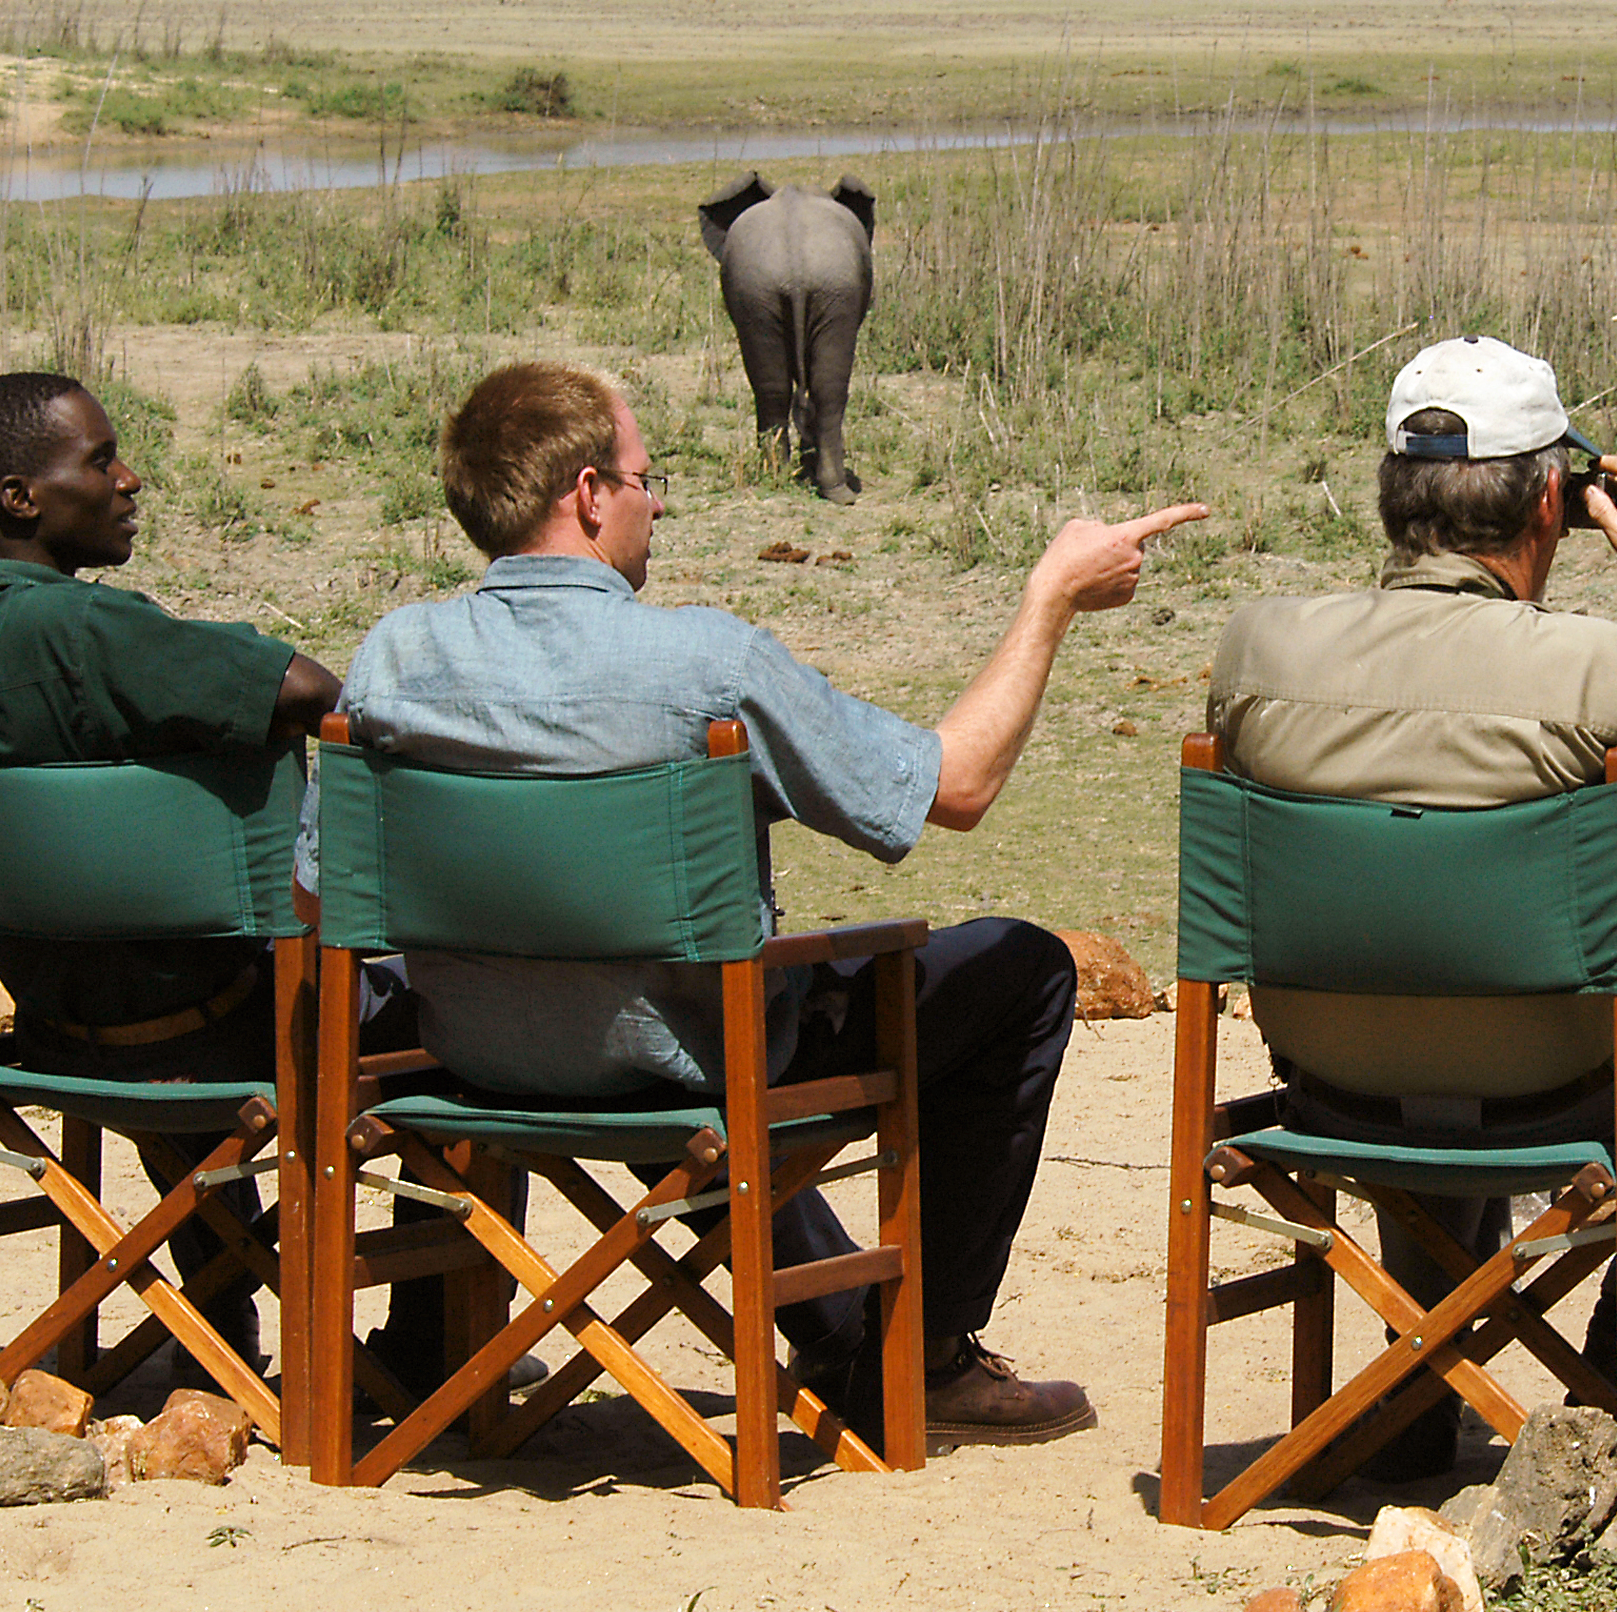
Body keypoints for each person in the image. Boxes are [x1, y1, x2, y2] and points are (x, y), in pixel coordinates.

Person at [322, 360, 1203, 1446]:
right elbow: (955, 783)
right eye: (648, 479)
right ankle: (917, 1359)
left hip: (475, 1054)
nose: (660, 503)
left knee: (629, 972)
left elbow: (329, 887)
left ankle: (436, 1340)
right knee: (1019, 966)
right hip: (689, 1061)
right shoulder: (702, 662)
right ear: (587, 494)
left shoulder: (391, 660)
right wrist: (1049, 598)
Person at [1204, 334, 1617, 1481]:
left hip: (1335, 1082)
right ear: (1552, 504)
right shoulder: (1606, 673)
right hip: (1566, 1089)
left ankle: (1414, 1371)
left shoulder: (1255, 650)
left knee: (1418, 978)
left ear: (1389, 495)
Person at [0, 370, 346, 1389]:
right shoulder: (92, 633)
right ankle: (433, 1352)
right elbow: (306, 691)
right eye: (98, 460)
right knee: (441, 1009)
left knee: (148, 982)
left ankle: (219, 1321)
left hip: (55, 1025)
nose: (128, 479)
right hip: (212, 1027)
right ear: (19, 498)